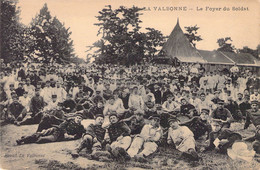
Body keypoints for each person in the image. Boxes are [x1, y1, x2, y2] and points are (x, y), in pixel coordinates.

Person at [16, 114, 86, 145]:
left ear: (82, 119)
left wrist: (72, 137)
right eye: (77, 118)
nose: (78, 119)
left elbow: (79, 135)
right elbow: (61, 125)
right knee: (41, 133)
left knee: (41, 139)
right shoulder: (69, 120)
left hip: (59, 136)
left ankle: (26, 139)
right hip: (56, 129)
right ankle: (22, 140)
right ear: (75, 118)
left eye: (80, 118)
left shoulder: (81, 127)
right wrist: (65, 133)